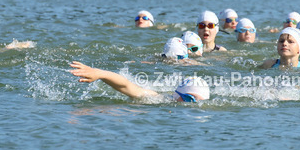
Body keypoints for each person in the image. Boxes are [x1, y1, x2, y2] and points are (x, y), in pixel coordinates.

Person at [69, 62, 209, 101]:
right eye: (189, 99)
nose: (195, 105)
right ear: (177, 95)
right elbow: (127, 86)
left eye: (200, 101)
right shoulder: (161, 99)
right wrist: (100, 73)